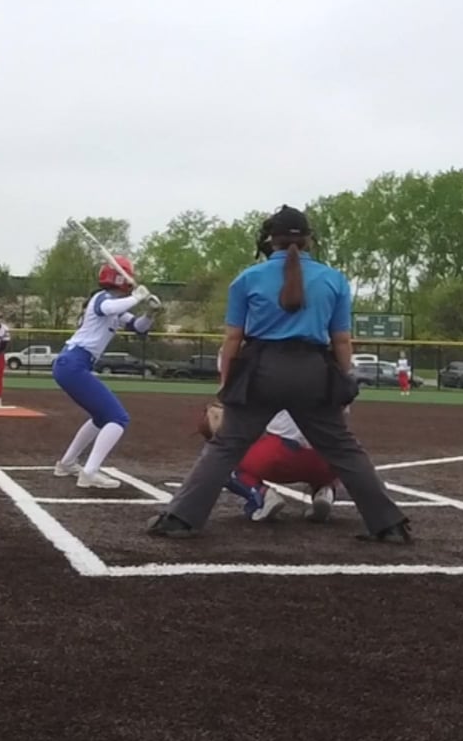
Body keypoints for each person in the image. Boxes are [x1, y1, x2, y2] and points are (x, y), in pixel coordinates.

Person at [147, 205, 412, 543]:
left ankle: (179, 519)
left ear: (269, 241)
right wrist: (344, 381)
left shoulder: (247, 279)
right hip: (314, 372)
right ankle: (389, 525)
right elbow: (341, 341)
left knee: (226, 445)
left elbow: (233, 339)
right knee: (344, 449)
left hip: (262, 370)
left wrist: (227, 384)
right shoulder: (334, 280)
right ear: (309, 241)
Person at [50, 255, 160, 489]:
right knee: (118, 418)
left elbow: (138, 328)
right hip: (73, 363)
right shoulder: (102, 298)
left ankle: (67, 463)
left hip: (73, 364)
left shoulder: (116, 306)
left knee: (101, 417)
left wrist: (150, 313)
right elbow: (108, 307)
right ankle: (89, 473)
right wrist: (137, 297)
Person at [202, 402, 343, 523]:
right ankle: (325, 491)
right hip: (326, 460)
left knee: (224, 461)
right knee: (339, 452)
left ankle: (263, 496)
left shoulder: (273, 382)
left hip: (281, 456)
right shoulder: (332, 383)